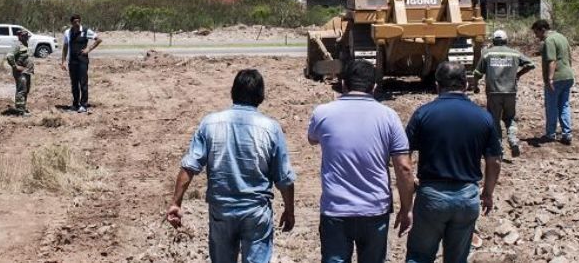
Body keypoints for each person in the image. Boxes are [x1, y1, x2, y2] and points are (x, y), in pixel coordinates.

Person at [167, 69, 296, 263]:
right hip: (256, 212)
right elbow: (283, 177)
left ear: (232, 92)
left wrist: (176, 202)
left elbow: (189, 166)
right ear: (261, 96)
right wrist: (289, 210)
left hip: (222, 211)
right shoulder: (271, 128)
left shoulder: (210, 124)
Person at [307, 59, 414, 263]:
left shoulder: (322, 113)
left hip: (335, 209)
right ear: (374, 87)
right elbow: (404, 168)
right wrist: (407, 208)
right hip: (375, 209)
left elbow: (312, 139)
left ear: (343, 84)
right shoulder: (389, 117)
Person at [405, 61, 502, 263]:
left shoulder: (423, 114)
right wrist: (488, 193)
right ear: (466, 85)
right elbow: (494, 161)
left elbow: (404, 155)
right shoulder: (484, 117)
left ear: (437, 86)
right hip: (467, 196)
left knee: (419, 256)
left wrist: (410, 183)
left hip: (431, 195)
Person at [472, 29, 535, 157]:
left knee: (494, 120)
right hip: (510, 92)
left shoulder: (487, 54)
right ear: (506, 41)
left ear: (494, 41)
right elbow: (531, 64)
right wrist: (518, 74)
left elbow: (477, 73)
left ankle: (498, 148)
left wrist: (475, 86)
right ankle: (513, 140)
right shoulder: (515, 54)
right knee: (510, 118)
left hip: (493, 92)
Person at [531, 19, 575, 145]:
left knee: (552, 107)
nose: (536, 36)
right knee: (564, 105)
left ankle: (550, 134)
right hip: (568, 76)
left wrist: (550, 79)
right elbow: (569, 57)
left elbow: (552, 61)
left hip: (556, 78)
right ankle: (567, 134)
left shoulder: (549, 40)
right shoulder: (562, 37)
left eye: (536, 33)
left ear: (542, 29)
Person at [60, 14, 102, 113]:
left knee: (83, 83)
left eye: (78, 21)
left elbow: (98, 39)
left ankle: (83, 105)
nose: (77, 23)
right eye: (75, 22)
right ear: (71, 23)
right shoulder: (67, 32)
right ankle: (75, 104)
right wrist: (63, 61)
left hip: (82, 61)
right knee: (74, 84)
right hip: (72, 61)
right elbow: (65, 47)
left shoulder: (86, 31)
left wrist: (88, 49)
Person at [6, 30, 34, 116]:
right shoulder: (17, 45)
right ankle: (20, 111)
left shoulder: (25, 44)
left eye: (27, 35)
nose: (26, 37)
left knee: (26, 90)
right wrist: (15, 66)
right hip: (20, 73)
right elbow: (9, 56)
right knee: (21, 90)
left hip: (27, 72)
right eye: (24, 35)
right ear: (19, 36)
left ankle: (23, 107)